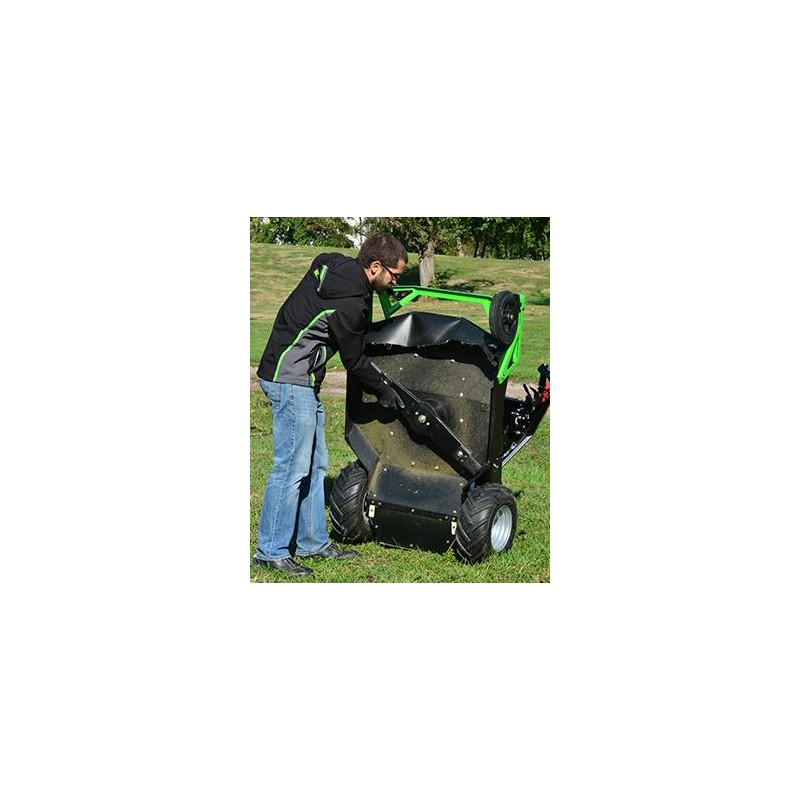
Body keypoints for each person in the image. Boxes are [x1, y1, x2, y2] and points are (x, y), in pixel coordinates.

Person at [253, 233, 408, 577]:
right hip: (289, 379)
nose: (395, 282)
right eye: (394, 275)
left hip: (301, 379)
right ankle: (270, 551)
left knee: (316, 464)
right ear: (375, 267)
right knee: (291, 467)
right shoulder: (350, 301)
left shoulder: (338, 264)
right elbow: (354, 361)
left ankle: (312, 542)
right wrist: (384, 390)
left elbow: (319, 259)